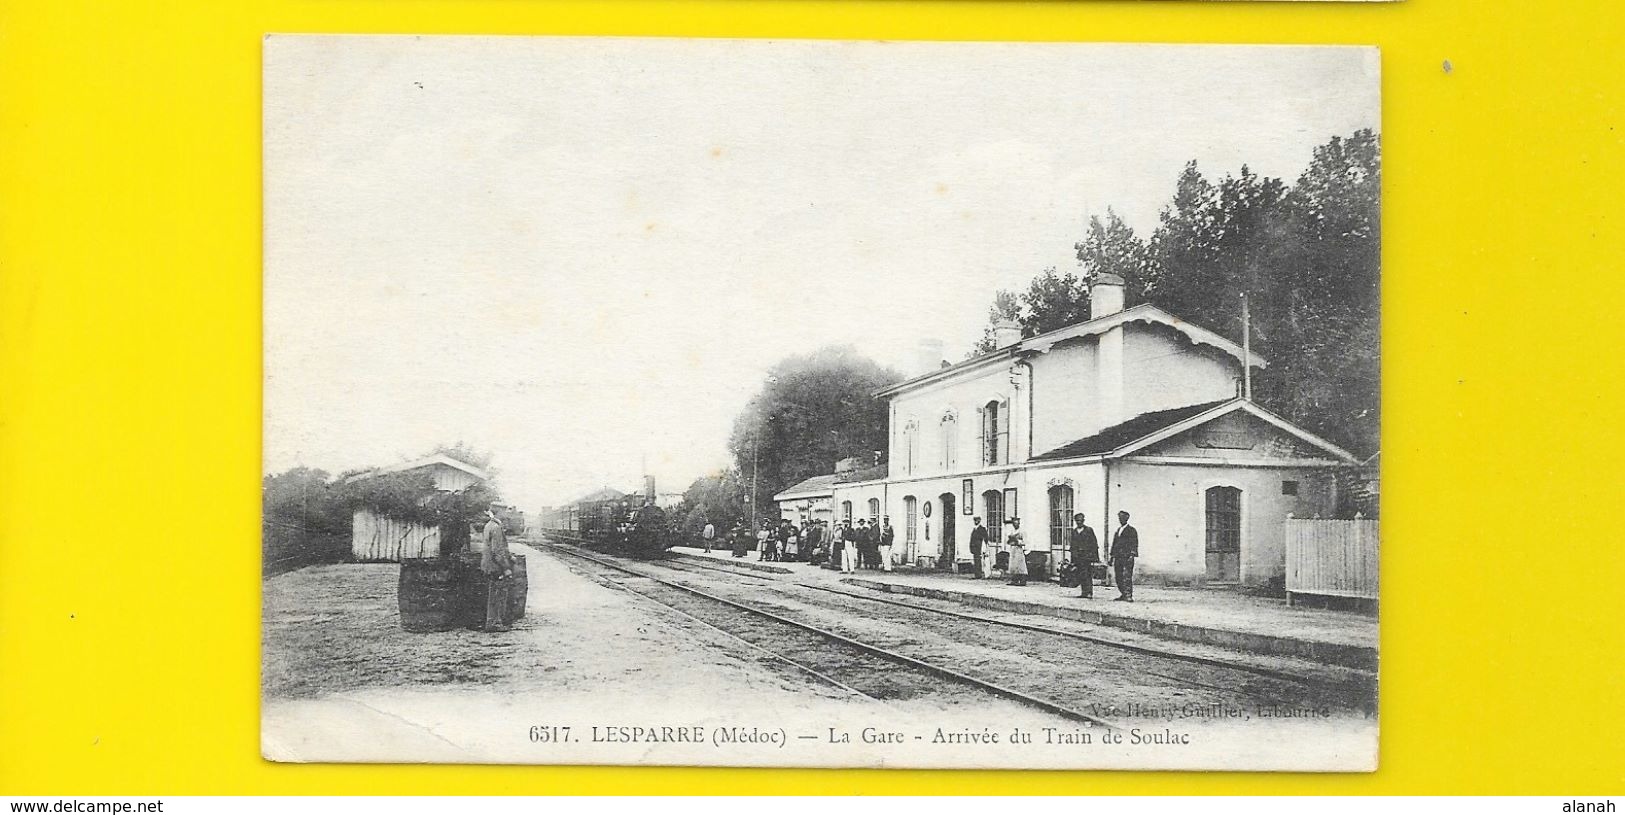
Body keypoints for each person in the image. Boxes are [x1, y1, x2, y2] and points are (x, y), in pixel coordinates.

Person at [480, 509, 516, 632]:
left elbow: (494, 547)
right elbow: (497, 552)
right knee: (498, 594)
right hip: (496, 566)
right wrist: (506, 568)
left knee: (494, 593)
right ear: (499, 512)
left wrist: (509, 556)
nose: (506, 514)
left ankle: (493, 621)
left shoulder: (489, 525)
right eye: (504, 511)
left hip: (489, 565)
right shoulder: (496, 528)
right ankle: (494, 623)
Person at [1068, 512, 1100, 599]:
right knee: (1080, 574)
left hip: (1086, 557)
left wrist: (1094, 557)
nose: (1079, 522)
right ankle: (1084, 592)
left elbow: (1094, 544)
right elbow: (1072, 546)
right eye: (1077, 521)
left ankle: (1089, 592)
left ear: (1083, 521)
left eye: (1081, 521)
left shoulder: (1089, 530)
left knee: (1087, 575)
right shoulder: (1074, 532)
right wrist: (1073, 559)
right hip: (1077, 557)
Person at [1109, 510, 1139, 602]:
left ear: (1127, 518)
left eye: (1122, 517)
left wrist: (1132, 555)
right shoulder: (1118, 530)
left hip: (1127, 557)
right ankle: (1123, 594)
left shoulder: (1131, 530)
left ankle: (1128, 595)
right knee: (1118, 576)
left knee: (1126, 576)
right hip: (1118, 557)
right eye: (1119, 518)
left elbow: (1134, 543)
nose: (1120, 519)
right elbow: (1114, 544)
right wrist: (1111, 557)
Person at [1004, 517, 1028, 586]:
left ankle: (1023, 581)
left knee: (1020, 565)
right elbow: (1008, 541)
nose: (1015, 525)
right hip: (1013, 549)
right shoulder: (1012, 531)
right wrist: (1010, 540)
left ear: (1019, 524)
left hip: (1018, 549)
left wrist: (1017, 541)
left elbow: (1025, 542)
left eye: (1017, 523)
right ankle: (1014, 580)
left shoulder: (1022, 531)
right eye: (1014, 523)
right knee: (1013, 565)